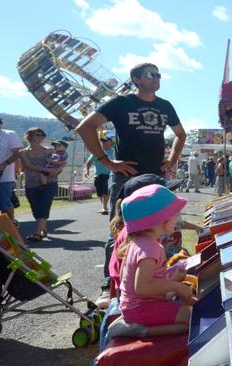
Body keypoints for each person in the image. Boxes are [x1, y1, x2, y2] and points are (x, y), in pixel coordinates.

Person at [75, 62, 187, 308]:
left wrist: (172, 159)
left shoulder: (165, 105)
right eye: (152, 74)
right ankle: (109, 285)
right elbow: (85, 127)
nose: (157, 78)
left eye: (159, 74)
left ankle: (157, 282)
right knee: (119, 230)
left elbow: (181, 134)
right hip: (127, 176)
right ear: (136, 79)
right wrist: (107, 161)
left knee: (162, 228)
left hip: (156, 177)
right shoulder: (121, 103)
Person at [107, 184, 195, 338]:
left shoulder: (141, 243)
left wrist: (173, 279)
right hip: (142, 309)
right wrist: (176, 286)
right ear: (159, 218)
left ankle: (137, 328)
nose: (178, 217)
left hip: (135, 308)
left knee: (186, 321)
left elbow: (146, 281)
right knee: (193, 317)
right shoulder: (150, 249)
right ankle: (138, 330)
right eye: (175, 213)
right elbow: (142, 289)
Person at [18, 128, 64, 241]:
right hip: (31, 183)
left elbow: (58, 164)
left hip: (50, 182)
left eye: (42, 135)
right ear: (29, 136)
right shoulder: (23, 152)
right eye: (37, 134)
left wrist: (55, 171)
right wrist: (46, 170)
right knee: (35, 208)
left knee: (44, 205)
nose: (40, 137)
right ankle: (43, 228)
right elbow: (28, 166)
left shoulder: (50, 150)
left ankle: (38, 233)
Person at [85, 137, 115, 215]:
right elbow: (89, 161)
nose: (103, 143)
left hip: (109, 175)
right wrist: (87, 171)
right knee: (100, 192)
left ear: (110, 143)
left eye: (105, 141)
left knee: (105, 191)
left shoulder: (114, 152)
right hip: (98, 175)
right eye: (102, 142)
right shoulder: (97, 151)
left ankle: (104, 207)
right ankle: (103, 206)